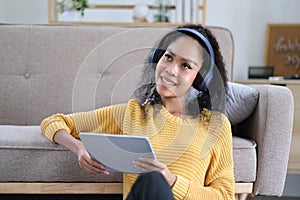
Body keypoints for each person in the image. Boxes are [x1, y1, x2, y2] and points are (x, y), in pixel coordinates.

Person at [40, 24, 234, 200]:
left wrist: (172, 180)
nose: (171, 70)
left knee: (154, 180)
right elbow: (54, 122)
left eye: (186, 66)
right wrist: (79, 148)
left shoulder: (215, 125)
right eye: (168, 57)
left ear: (200, 79)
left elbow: (225, 196)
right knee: (151, 181)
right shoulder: (132, 114)